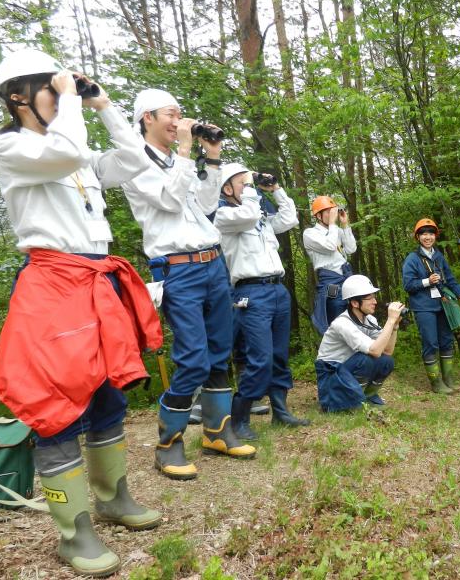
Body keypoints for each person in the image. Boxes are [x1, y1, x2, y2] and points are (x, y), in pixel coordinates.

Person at [0, 48, 162, 576]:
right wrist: (69, 101)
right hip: (52, 282)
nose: (62, 92)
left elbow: (135, 162)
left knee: (108, 394)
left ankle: (113, 497)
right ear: (18, 96)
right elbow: (66, 155)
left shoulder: (72, 142)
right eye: (51, 86)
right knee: (60, 405)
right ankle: (74, 532)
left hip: (95, 279)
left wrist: (104, 106)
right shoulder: (10, 145)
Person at [122, 88, 255, 481]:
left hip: (213, 262)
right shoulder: (135, 163)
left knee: (218, 352)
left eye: (180, 114)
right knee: (194, 357)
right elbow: (168, 200)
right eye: (171, 113)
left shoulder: (176, 159)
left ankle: (217, 431)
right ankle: (169, 443)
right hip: (178, 270)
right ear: (147, 117)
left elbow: (208, 203)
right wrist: (184, 149)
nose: (179, 120)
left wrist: (211, 156)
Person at [213, 163, 310, 436]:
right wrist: (253, 187)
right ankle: (240, 419)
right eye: (241, 182)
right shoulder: (224, 216)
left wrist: (276, 190)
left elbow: (289, 219)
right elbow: (248, 214)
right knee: (261, 358)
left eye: (247, 182)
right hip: (250, 292)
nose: (247, 186)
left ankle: (280, 411)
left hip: (277, 289)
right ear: (226, 188)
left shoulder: (259, 216)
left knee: (279, 355)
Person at [315, 275, 404, 412]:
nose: (375, 301)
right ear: (355, 303)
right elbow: (374, 351)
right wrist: (390, 320)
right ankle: (349, 401)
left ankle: (367, 397)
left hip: (346, 370)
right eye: (370, 298)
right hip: (331, 375)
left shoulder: (370, 320)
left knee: (387, 361)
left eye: (374, 297)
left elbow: (387, 351)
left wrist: (395, 327)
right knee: (365, 359)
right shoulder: (342, 323)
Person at [401, 218, 460, 394]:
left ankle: (449, 380)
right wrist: (426, 281)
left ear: (435, 236)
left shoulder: (439, 256)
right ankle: (437, 384)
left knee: (446, 341)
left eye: (431, 233)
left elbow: (451, 279)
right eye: (423, 233)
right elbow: (408, 285)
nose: (427, 237)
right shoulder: (412, 259)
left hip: (443, 305)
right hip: (423, 306)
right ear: (418, 237)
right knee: (430, 342)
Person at [304, 196, 357, 334]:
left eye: (332, 211)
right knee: (337, 318)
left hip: (346, 278)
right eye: (327, 211)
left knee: (354, 318)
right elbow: (330, 246)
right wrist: (334, 224)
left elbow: (351, 249)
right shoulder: (310, 234)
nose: (331, 214)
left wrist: (345, 225)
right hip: (330, 281)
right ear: (318, 216)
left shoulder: (337, 231)